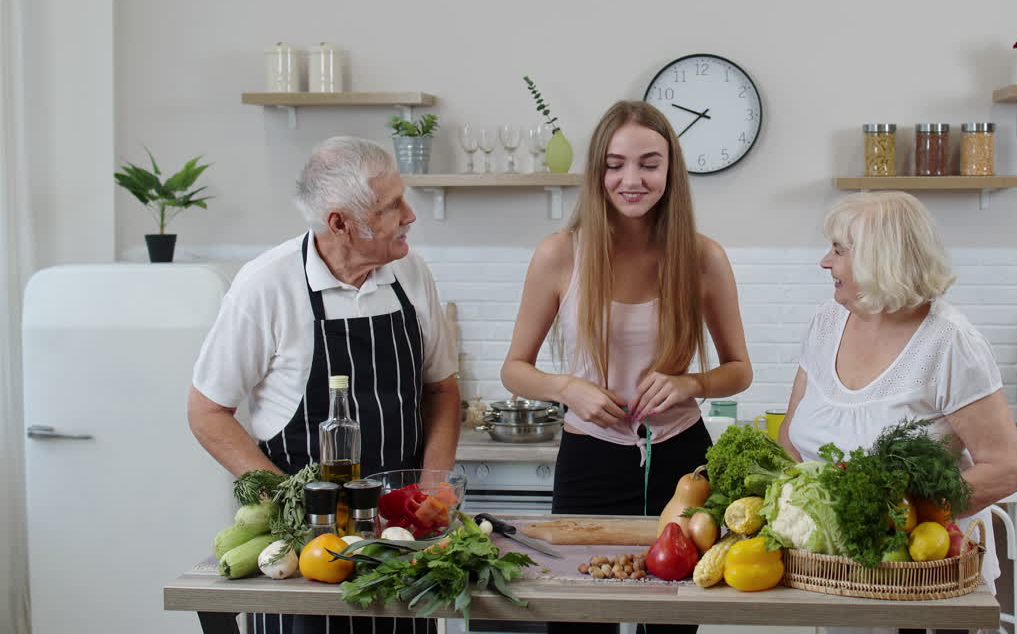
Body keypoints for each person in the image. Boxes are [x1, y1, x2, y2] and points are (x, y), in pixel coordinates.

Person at [188, 136, 460, 634]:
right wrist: (289, 507)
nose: (410, 215)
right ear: (341, 222)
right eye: (392, 205)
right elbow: (207, 411)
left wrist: (434, 484)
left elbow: (441, 389)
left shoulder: (411, 273)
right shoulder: (266, 285)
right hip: (306, 558)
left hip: (404, 547)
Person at [502, 101, 752, 634]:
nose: (631, 179)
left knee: (673, 620)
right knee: (576, 618)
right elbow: (515, 369)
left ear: (670, 171)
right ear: (597, 171)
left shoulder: (703, 257)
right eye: (615, 164)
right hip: (589, 460)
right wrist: (569, 388)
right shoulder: (560, 255)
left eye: (649, 163)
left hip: (683, 463)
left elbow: (738, 370)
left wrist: (691, 382)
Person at [777, 191, 1017, 634]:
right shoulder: (825, 323)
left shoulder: (949, 342)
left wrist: (900, 522)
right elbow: (791, 438)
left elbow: (1005, 470)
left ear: (879, 260)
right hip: (838, 576)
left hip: (923, 581)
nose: (824, 262)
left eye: (839, 250)